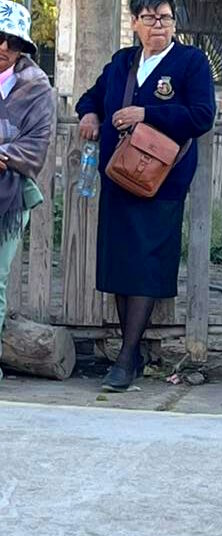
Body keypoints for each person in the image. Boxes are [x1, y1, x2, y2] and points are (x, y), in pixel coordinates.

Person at [75, 0, 216, 392]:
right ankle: (130, 354)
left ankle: (126, 355)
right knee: (121, 265)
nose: (159, 25)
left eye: (166, 18)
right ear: (135, 22)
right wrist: (89, 114)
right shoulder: (123, 62)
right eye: (150, 18)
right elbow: (92, 96)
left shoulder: (190, 62)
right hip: (120, 176)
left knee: (147, 263)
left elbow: (202, 115)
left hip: (162, 181)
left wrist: (147, 114)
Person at [0, 0, 55, 381]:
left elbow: (36, 145)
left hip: (7, 194)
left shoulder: (36, 87)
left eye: (14, 42)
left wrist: (3, 153)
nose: (4, 47)